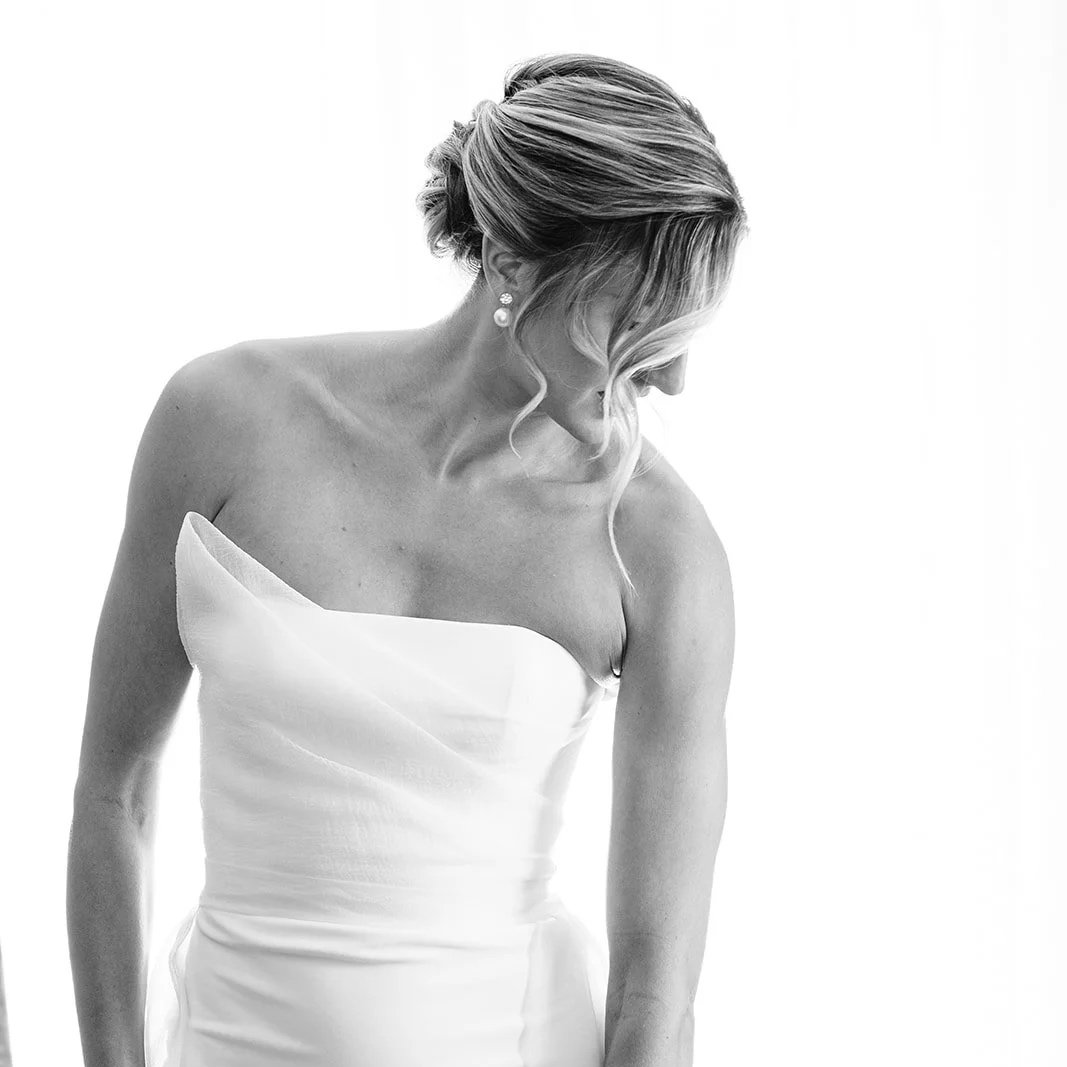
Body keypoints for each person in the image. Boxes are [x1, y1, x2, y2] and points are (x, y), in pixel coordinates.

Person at [67, 51, 747, 1067]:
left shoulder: (658, 545)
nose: (677, 377)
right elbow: (110, 791)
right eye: (639, 319)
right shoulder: (221, 420)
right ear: (515, 261)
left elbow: (657, 991)